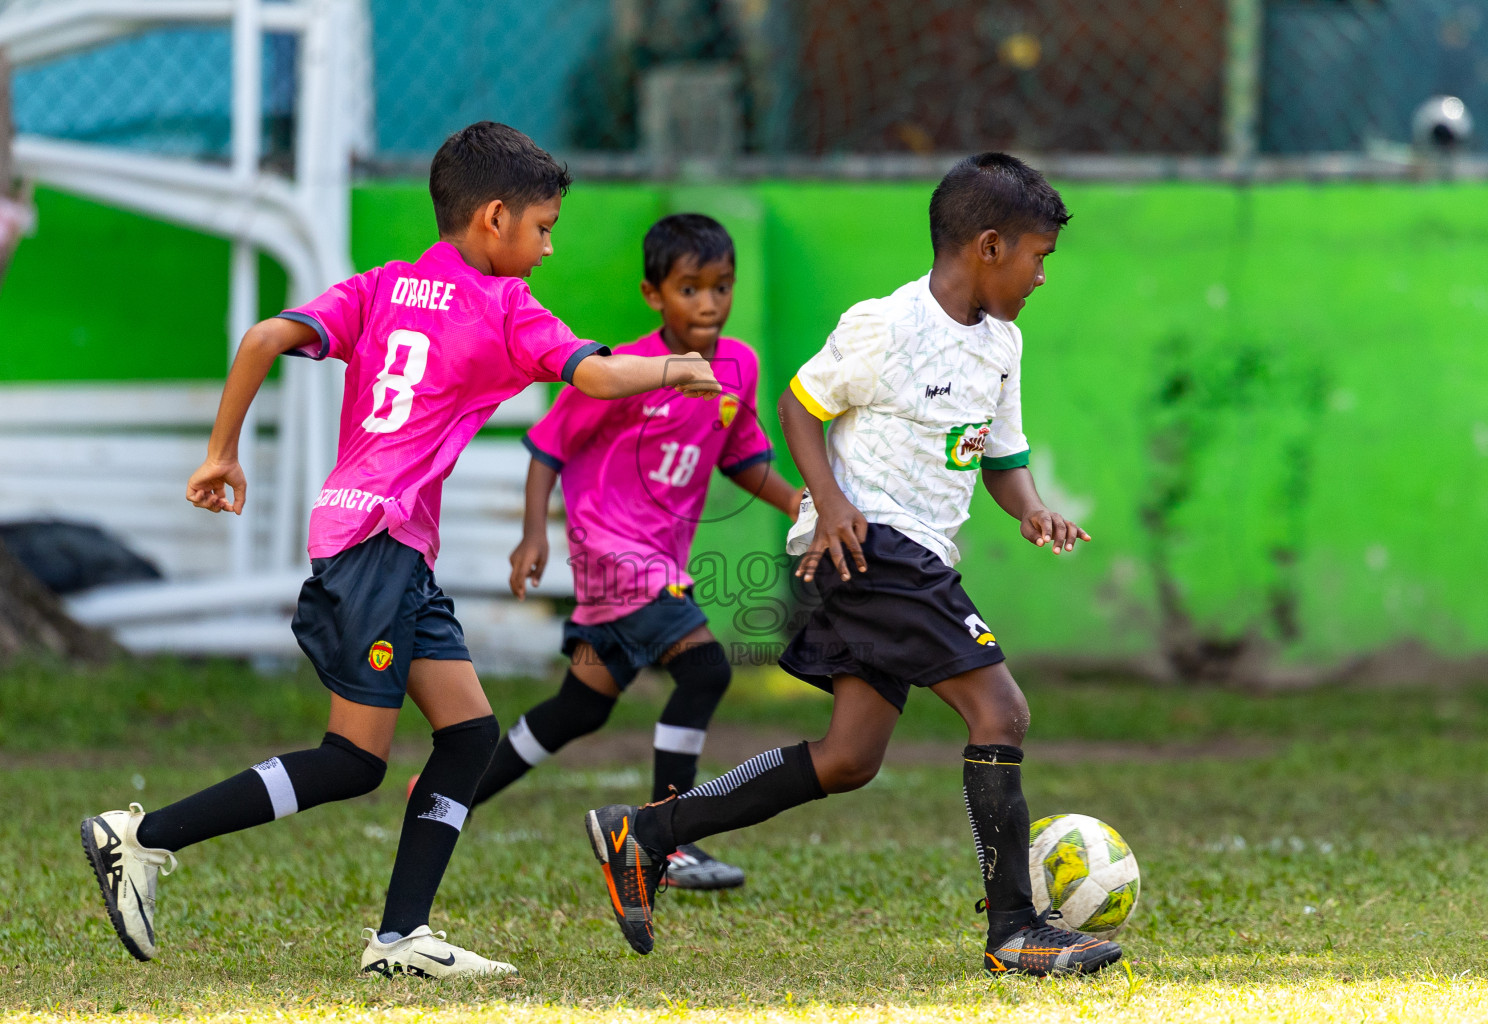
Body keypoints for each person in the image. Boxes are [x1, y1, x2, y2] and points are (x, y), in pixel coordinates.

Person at [78, 121, 719, 980]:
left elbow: (264, 336)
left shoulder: (383, 285)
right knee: (352, 761)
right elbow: (596, 376)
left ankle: (400, 940)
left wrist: (221, 451)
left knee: (468, 734)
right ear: (494, 218)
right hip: (376, 546)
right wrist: (677, 369)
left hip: (374, 541)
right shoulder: (503, 307)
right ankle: (142, 838)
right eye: (543, 227)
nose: (549, 246)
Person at [583, 153, 1122, 977]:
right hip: (871, 546)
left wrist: (1034, 506)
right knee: (1001, 712)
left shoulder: (1003, 344)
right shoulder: (887, 325)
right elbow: (801, 404)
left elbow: (1001, 459)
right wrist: (829, 503)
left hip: (912, 555)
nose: (1042, 276)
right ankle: (1015, 928)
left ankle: (646, 831)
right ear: (987, 245)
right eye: (1037, 257)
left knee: (848, 759)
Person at [473, 213, 802, 891]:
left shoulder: (739, 364)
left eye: (721, 287)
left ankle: (450, 794)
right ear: (655, 295)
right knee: (707, 671)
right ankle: (670, 842)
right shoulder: (622, 371)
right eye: (690, 289)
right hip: (613, 554)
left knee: (580, 708)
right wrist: (535, 534)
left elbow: (741, 460)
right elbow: (546, 447)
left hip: (656, 565)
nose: (708, 303)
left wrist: (801, 503)